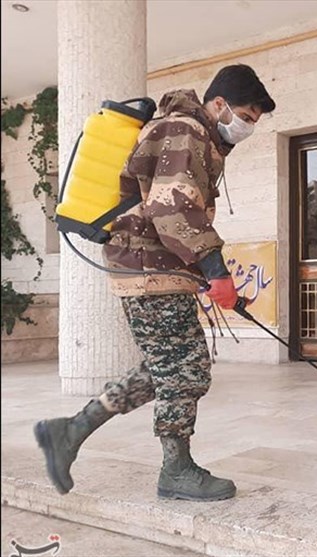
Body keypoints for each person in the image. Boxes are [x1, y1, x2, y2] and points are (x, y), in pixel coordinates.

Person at [34, 65, 275, 501]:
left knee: (163, 368)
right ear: (218, 104)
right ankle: (176, 469)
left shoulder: (192, 134)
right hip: (149, 267)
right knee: (187, 370)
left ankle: (69, 432)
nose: (249, 126)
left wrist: (201, 271)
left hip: (153, 266)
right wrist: (215, 269)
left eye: (255, 120)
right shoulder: (185, 130)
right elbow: (173, 209)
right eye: (246, 115)